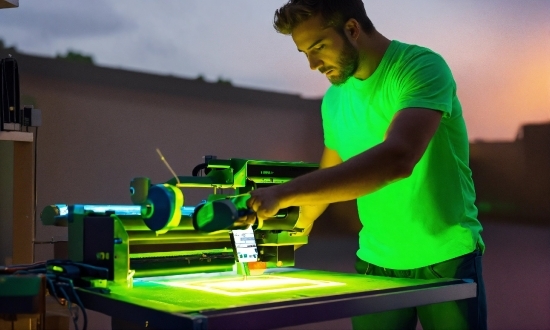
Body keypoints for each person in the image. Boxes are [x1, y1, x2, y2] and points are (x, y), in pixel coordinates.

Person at [243, 0, 487, 329]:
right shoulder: (334, 101)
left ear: (352, 29)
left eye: (318, 47)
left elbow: (398, 158)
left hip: (446, 259)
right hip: (375, 262)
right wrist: (293, 230)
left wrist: (284, 193)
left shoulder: (420, 67)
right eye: (305, 53)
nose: (313, 64)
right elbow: (328, 178)